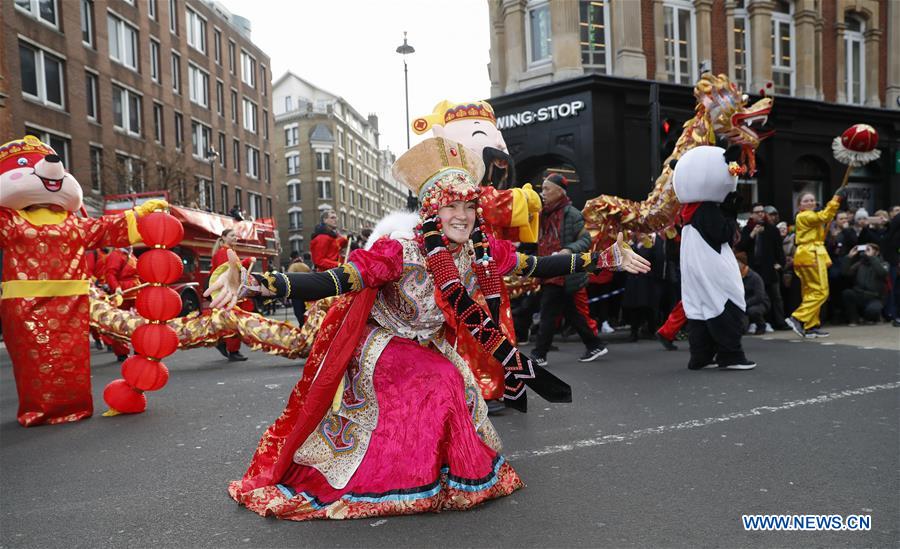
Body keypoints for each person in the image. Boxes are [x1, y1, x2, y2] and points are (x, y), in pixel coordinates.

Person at [205, 137, 649, 521]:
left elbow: (537, 265)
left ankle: (440, 471)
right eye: (451, 206)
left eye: (468, 206)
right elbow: (336, 280)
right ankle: (399, 479)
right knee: (440, 381)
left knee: (458, 385)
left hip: (429, 341)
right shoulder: (398, 250)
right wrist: (255, 282)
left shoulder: (483, 250)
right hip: (383, 342)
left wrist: (605, 258)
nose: (462, 215)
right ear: (433, 211)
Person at [671, 145, 755, 370]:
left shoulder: (690, 209)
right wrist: (730, 212)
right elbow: (723, 234)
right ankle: (731, 355)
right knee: (725, 303)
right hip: (711, 264)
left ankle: (701, 356)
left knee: (699, 309)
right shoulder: (706, 209)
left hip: (694, 265)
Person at [531, 173, 609, 367]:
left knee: (548, 312)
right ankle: (595, 344)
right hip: (547, 268)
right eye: (543, 189)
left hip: (563, 271)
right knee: (571, 312)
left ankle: (539, 354)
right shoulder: (542, 214)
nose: (543, 193)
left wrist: (568, 250)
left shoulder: (572, 213)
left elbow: (585, 240)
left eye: (547, 189)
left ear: (560, 191)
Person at [785, 188, 847, 338]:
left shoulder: (806, 216)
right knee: (821, 291)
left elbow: (823, 217)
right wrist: (836, 199)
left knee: (810, 291)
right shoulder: (806, 215)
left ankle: (810, 325)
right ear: (800, 205)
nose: (810, 202)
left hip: (807, 254)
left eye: (812, 200)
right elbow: (825, 216)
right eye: (806, 200)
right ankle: (798, 317)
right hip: (811, 254)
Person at [738, 202, 787, 330]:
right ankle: (760, 322)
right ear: (751, 215)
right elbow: (741, 246)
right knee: (758, 296)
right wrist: (752, 234)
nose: (760, 214)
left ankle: (780, 322)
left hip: (769, 268)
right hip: (754, 269)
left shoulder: (772, 229)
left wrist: (780, 264)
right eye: (757, 212)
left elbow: (779, 250)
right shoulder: (748, 229)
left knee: (776, 296)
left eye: (762, 211)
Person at [211, 229, 249, 361]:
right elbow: (227, 270)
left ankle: (223, 343)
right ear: (224, 237)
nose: (235, 238)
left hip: (228, 290)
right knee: (232, 320)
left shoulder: (228, 252)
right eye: (232, 236)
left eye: (236, 236)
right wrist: (247, 262)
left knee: (228, 319)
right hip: (228, 291)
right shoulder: (224, 252)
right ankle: (232, 350)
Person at [104, 246, 141, 361]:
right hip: (122, 294)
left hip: (136, 291)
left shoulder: (131, 255)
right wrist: (116, 288)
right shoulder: (116, 255)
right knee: (120, 323)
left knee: (138, 322)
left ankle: (139, 349)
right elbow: (110, 273)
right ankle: (121, 352)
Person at [841, 243, 889, 326]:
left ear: (877, 252)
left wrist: (872, 257)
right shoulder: (860, 264)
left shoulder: (884, 264)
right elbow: (845, 273)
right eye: (865, 250)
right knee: (847, 293)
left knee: (872, 311)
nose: (866, 252)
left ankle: (871, 317)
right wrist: (849, 257)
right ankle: (854, 319)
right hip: (859, 294)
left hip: (875, 297)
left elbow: (882, 273)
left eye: (869, 250)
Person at [735, 252, 770, 334]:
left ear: (743, 264)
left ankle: (761, 325)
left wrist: (745, 304)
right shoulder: (736, 276)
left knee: (753, 311)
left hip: (760, 303)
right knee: (742, 330)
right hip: (744, 303)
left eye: (737, 262)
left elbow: (759, 296)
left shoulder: (754, 277)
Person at [286, 251, 310, 324]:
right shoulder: (305, 266)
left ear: (291, 258)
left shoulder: (292, 266)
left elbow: (289, 279)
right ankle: (306, 323)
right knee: (305, 309)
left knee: (298, 311)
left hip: (296, 292)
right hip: (307, 291)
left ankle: (302, 324)